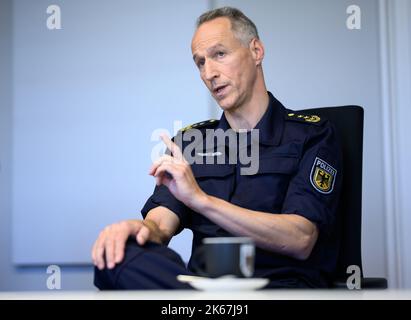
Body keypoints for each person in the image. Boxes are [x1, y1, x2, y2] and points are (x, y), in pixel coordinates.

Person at [92, 7, 342, 289]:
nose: (209, 73)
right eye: (200, 62)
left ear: (256, 51)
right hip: (200, 288)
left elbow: (301, 239)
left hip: (276, 289)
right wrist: (136, 230)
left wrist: (201, 200)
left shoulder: (313, 134)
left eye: (220, 54)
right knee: (115, 256)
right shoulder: (189, 141)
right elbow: (160, 225)